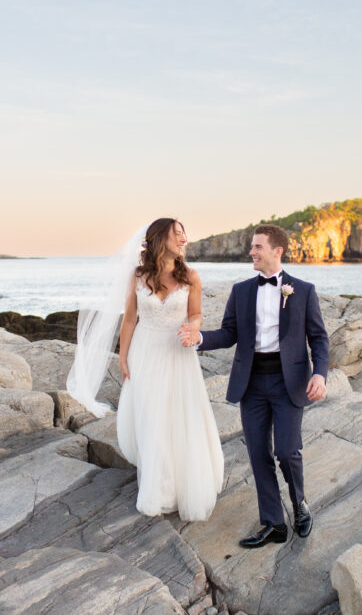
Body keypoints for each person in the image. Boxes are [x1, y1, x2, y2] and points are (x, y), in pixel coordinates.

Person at [180, 224, 328, 547]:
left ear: (278, 251)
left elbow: (318, 337)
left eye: (258, 247)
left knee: (287, 451)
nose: (252, 252)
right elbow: (229, 333)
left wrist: (320, 374)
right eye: (251, 247)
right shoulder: (242, 291)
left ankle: (299, 504)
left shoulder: (302, 290)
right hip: (252, 383)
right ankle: (274, 523)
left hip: (290, 382)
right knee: (258, 453)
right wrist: (199, 338)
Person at [67, 218, 224, 522]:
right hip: (145, 351)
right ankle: (158, 489)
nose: (183, 239)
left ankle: (184, 486)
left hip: (177, 353)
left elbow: (196, 314)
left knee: (179, 416)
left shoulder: (191, 276)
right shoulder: (137, 276)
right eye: (177, 234)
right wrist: (123, 358)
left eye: (184, 234)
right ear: (159, 239)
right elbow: (129, 319)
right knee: (152, 417)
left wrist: (193, 329)